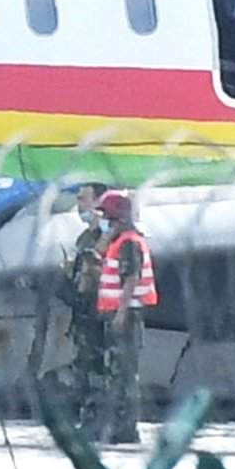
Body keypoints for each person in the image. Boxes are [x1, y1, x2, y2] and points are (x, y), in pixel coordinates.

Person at [95, 190, 156, 445]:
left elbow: (130, 278)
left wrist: (120, 312)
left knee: (125, 372)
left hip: (127, 315)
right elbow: (99, 253)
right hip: (120, 313)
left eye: (107, 217)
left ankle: (126, 428)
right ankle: (118, 424)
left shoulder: (129, 242)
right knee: (117, 371)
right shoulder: (118, 240)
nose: (104, 221)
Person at [58, 182, 109, 435]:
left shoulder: (107, 235)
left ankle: (98, 417)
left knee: (98, 365)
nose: (79, 204)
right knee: (84, 364)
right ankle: (87, 415)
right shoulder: (85, 237)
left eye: (83, 199)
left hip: (100, 309)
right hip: (83, 309)